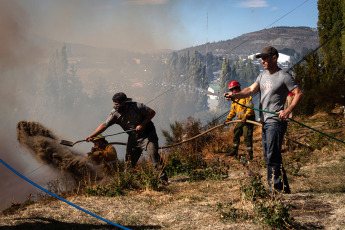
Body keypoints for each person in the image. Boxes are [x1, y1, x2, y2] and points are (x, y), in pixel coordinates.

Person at [224, 46, 304, 194]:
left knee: (271, 155)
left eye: (265, 58)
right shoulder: (262, 76)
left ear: (274, 58)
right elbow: (249, 90)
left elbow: (299, 93)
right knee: (272, 154)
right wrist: (234, 96)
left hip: (276, 121)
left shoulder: (284, 76)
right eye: (261, 58)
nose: (263, 61)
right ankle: (283, 188)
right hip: (265, 122)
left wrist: (287, 111)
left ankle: (273, 188)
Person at [86, 92, 168, 184]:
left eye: (117, 104)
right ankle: (128, 181)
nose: (116, 107)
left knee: (153, 154)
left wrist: (142, 124)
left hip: (148, 134)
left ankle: (163, 179)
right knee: (129, 161)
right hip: (133, 137)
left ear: (125, 102)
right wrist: (92, 136)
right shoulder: (114, 114)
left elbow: (152, 112)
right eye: (114, 105)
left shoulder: (137, 106)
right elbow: (105, 125)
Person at [224, 80, 255, 160]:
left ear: (237, 88)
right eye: (230, 90)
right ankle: (234, 151)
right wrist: (228, 119)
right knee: (236, 132)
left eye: (232, 90)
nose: (231, 91)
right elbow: (233, 111)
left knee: (247, 136)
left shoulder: (246, 96)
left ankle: (249, 155)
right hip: (240, 119)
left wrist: (246, 116)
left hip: (248, 119)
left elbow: (250, 108)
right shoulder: (234, 99)